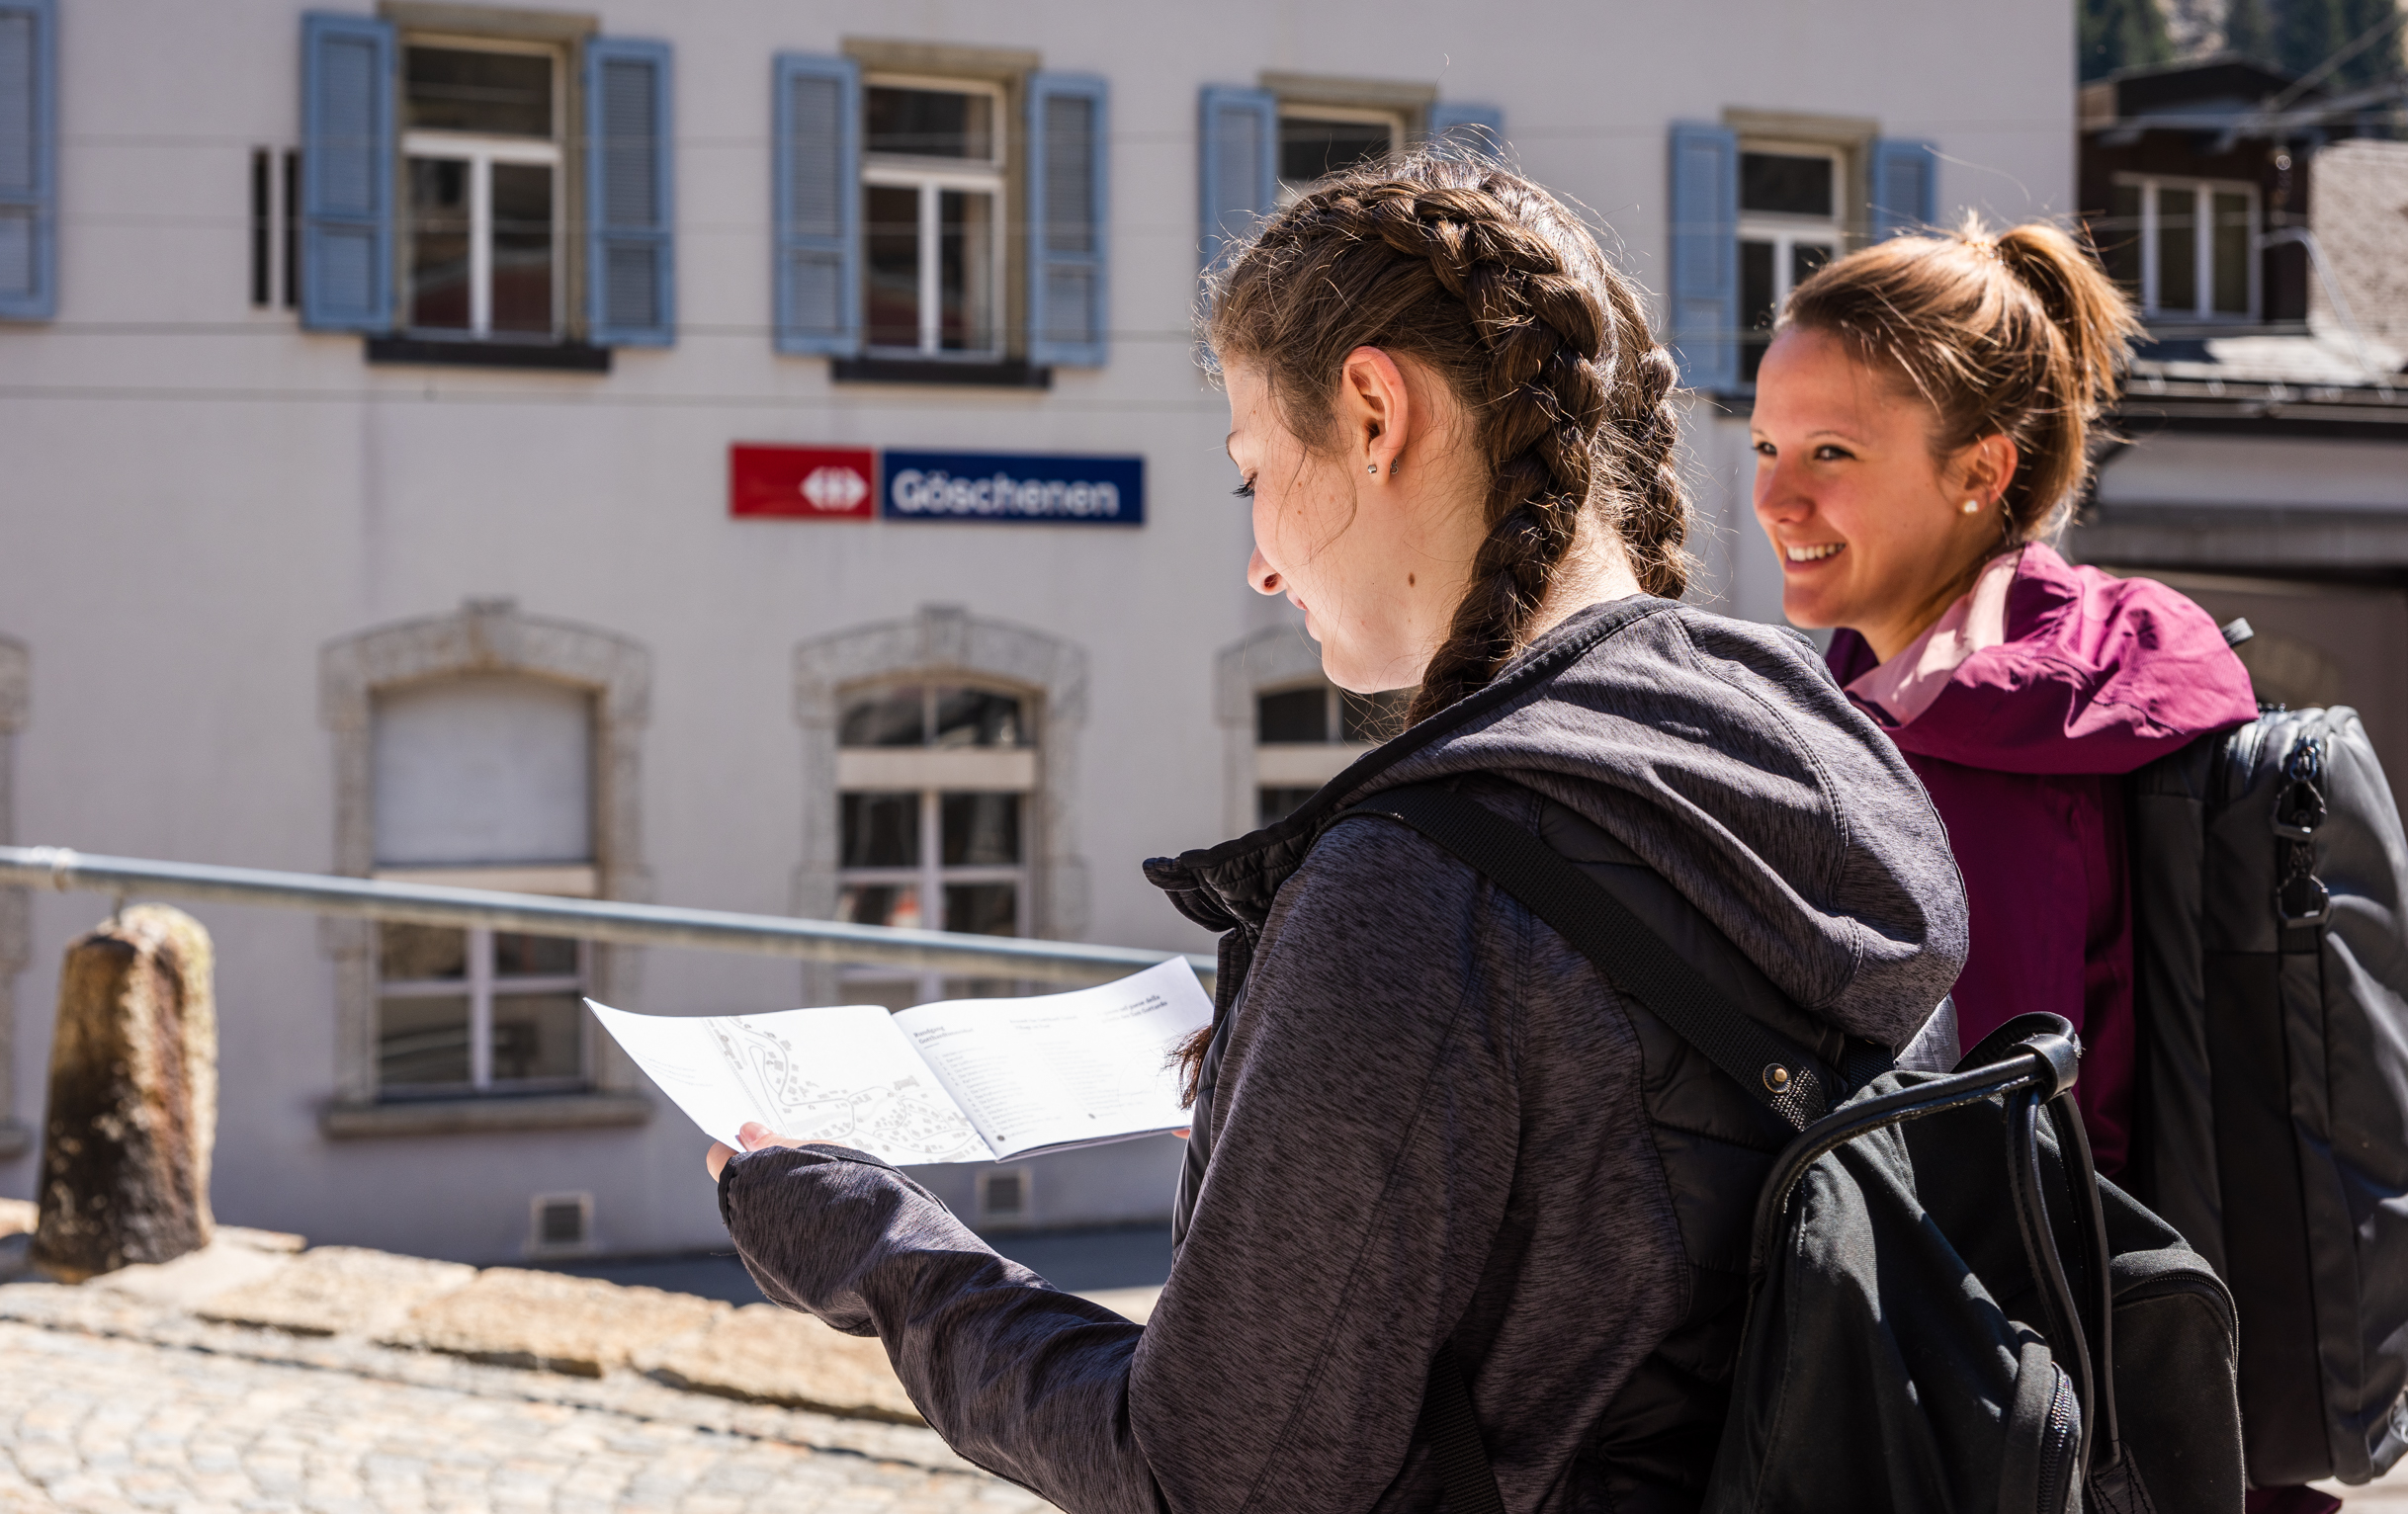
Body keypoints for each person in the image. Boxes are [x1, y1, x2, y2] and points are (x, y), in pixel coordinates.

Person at [707, 154, 1966, 1513]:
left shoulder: (1428, 882)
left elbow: (1207, 1479)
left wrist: (872, 1246)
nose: (1257, 556)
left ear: (1373, 412)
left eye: (1254, 467)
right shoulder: (1815, 745)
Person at [1748, 216, 2258, 1182]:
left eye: (1831, 455)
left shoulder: (1973, 746)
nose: (1776, 499)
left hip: (2015, 1320)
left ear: (1979, 471)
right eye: (1766, 447)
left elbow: (1984, 1155)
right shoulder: (2050, 662)